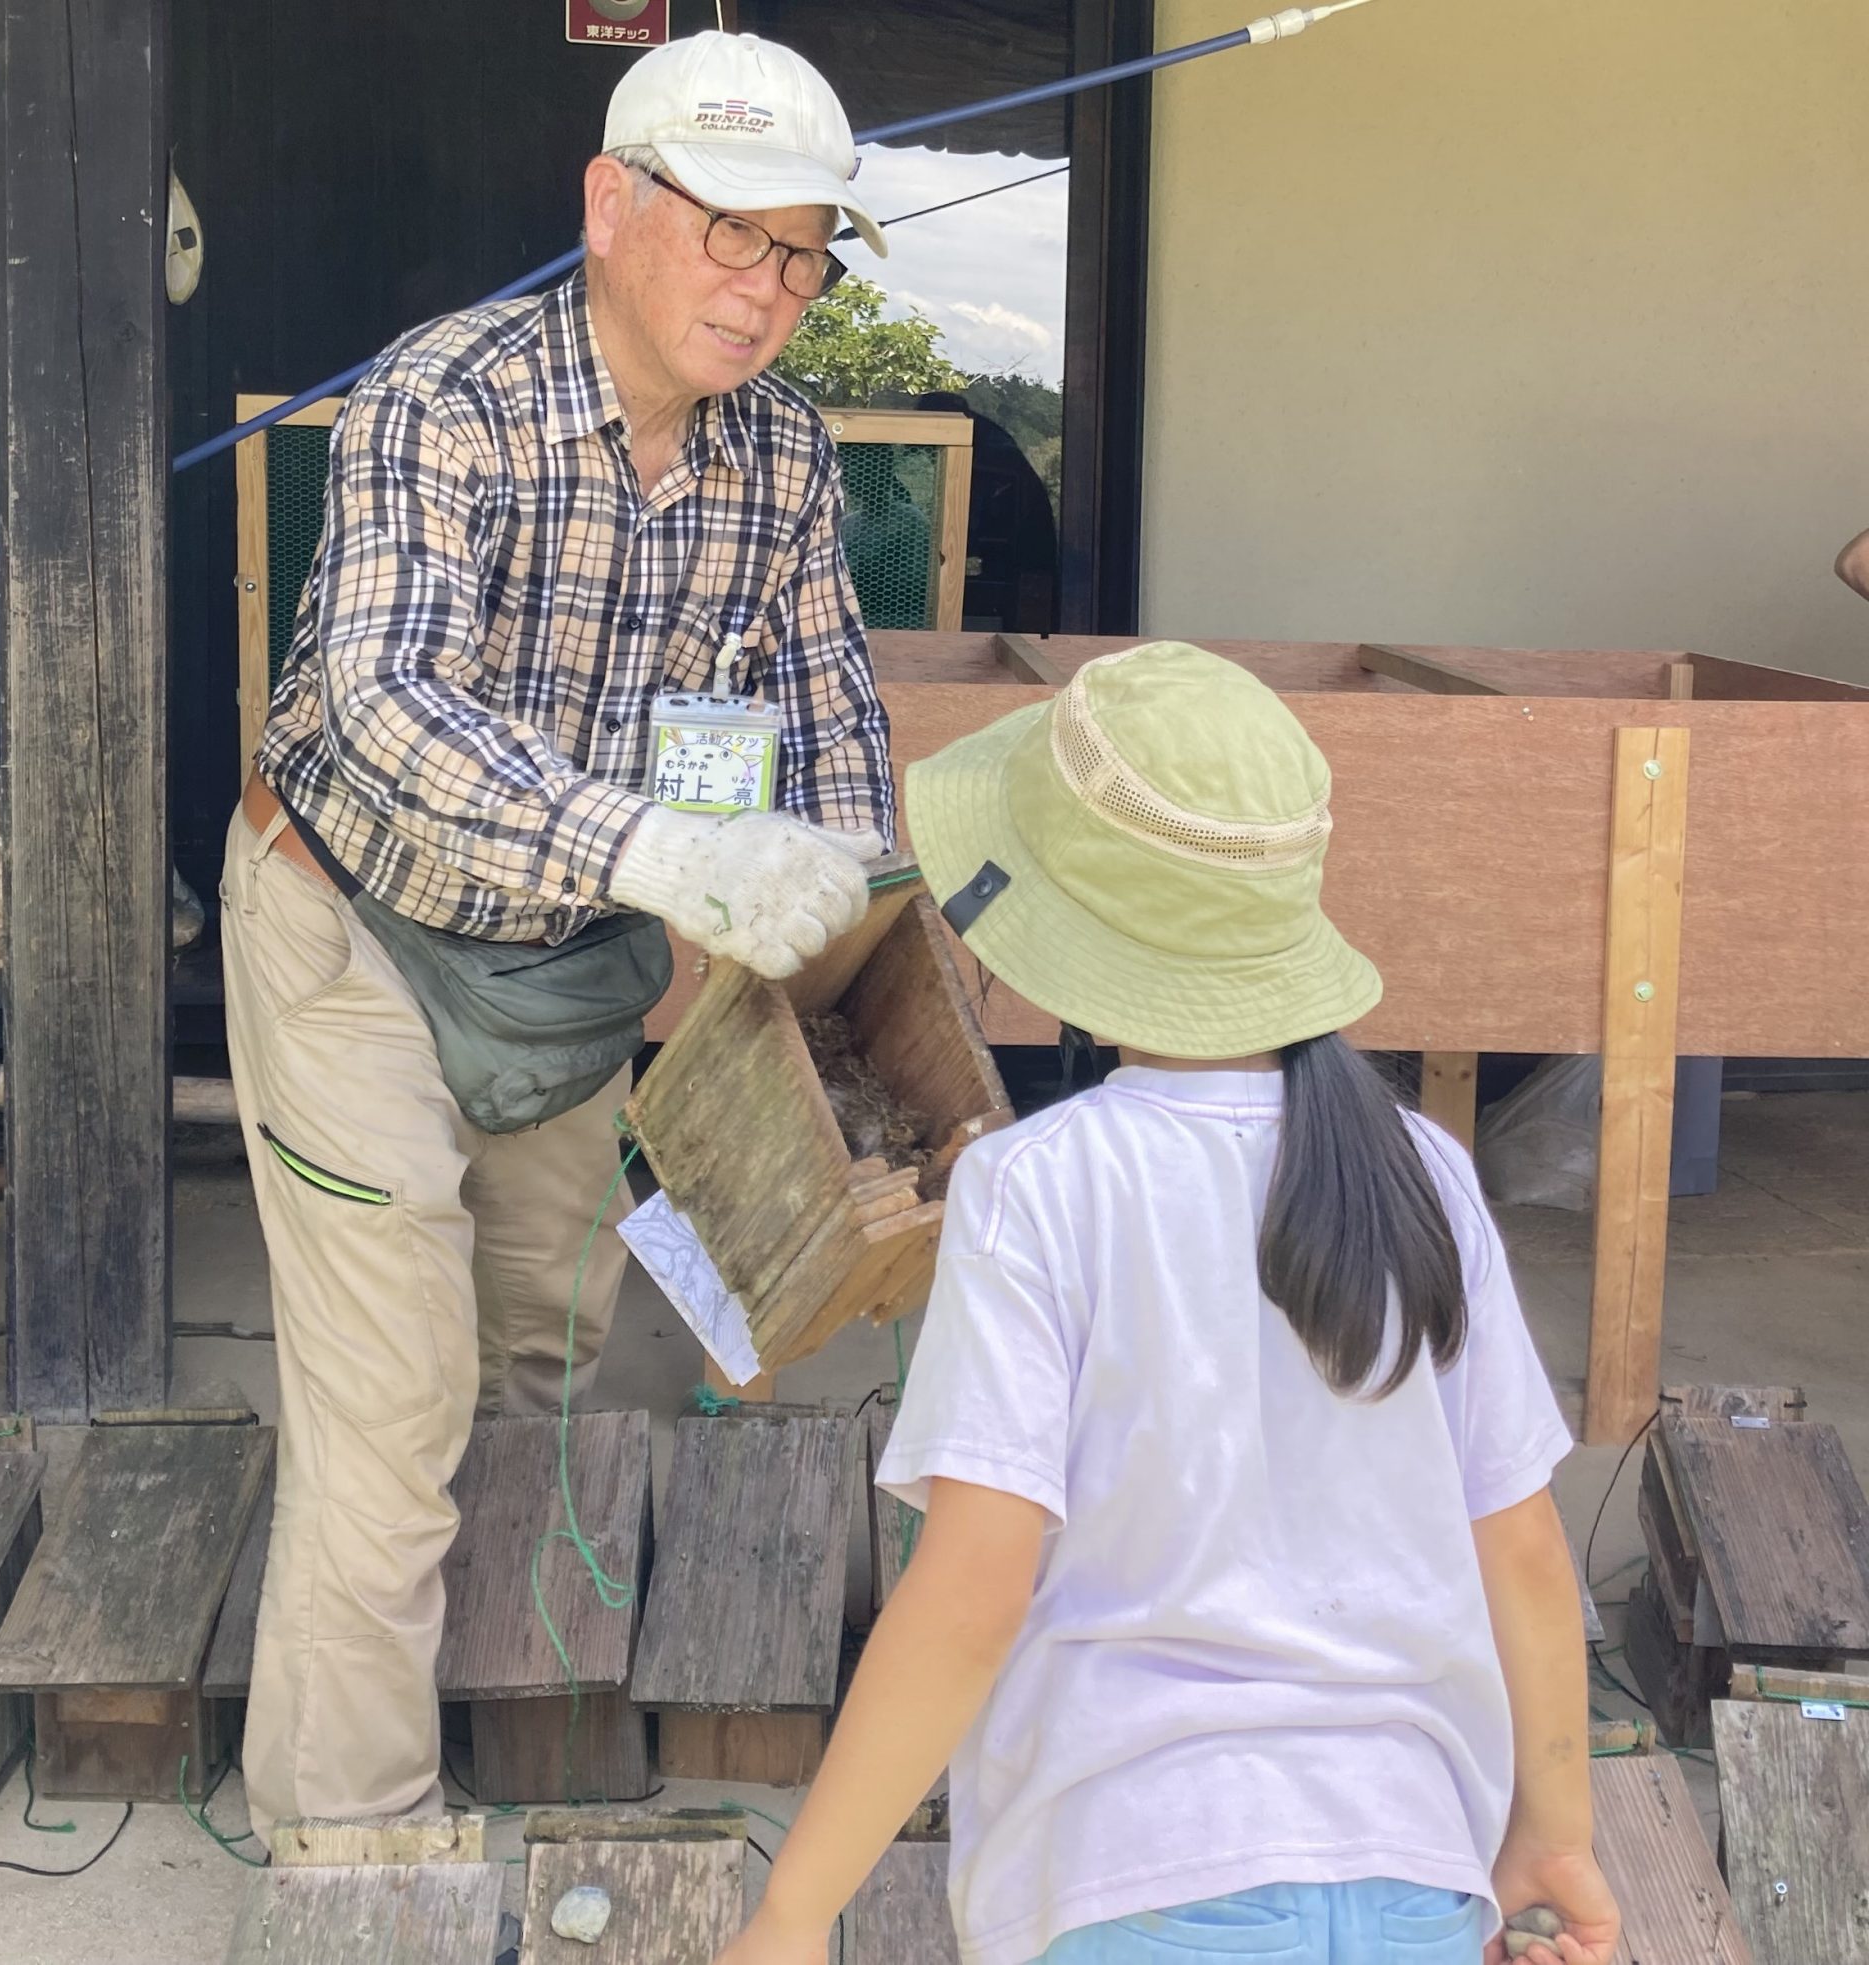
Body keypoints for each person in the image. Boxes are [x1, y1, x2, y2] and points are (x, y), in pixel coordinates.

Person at [223, 30, 897, 1833]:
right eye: (727, 235)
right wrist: (662, 846)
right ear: (613, 204)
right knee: (394, 1415)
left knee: (532, 1360)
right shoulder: (451, 398)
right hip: (352, 927)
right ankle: (346, 1839)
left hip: (570, 961)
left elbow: (832, 729)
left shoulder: (784, 467)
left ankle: (498, 1715)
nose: (763, 294)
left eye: (800, 253)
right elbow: (372, 700)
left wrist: (862, 921)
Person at [718, 643, 1622, 1965]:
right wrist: (1557, 1832)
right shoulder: (1423, 1165)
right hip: (1415, 1877)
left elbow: (974, 1588)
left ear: (1057, 915)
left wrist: (794, 1913)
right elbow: (1527, 1548)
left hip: (1131, 1877)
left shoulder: (1037, 1186)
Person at [915, 388, 1058, 631]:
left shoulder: (987, 452)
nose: (928, 456)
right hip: (1011, 560)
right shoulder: (986, 441)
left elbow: (974, 524)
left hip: (1024, 568)